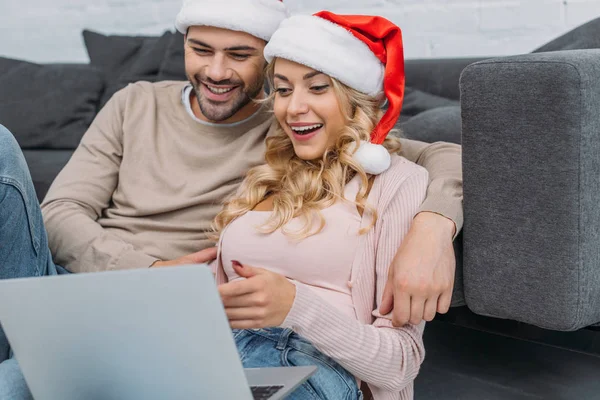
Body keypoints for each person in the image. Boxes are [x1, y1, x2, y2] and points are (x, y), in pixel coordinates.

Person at [0, 0, 461, 398]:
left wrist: (434, 226)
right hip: (87, 285)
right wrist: (151, 273)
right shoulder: (135, 103)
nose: (216, 72)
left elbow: (430, 154)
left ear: (266, 62)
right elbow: (58, 214)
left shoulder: (285, 128)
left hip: (195, 324)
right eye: (201, 50)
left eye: (239, 55)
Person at [213, 11, 426, 399]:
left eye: (317, 88)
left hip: (310, 364)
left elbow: (400, 364)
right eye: (282, 89)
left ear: (355, 99)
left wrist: (295, 306)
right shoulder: (266, 176)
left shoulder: (394, 182)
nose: (293, 108)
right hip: (221, 353)